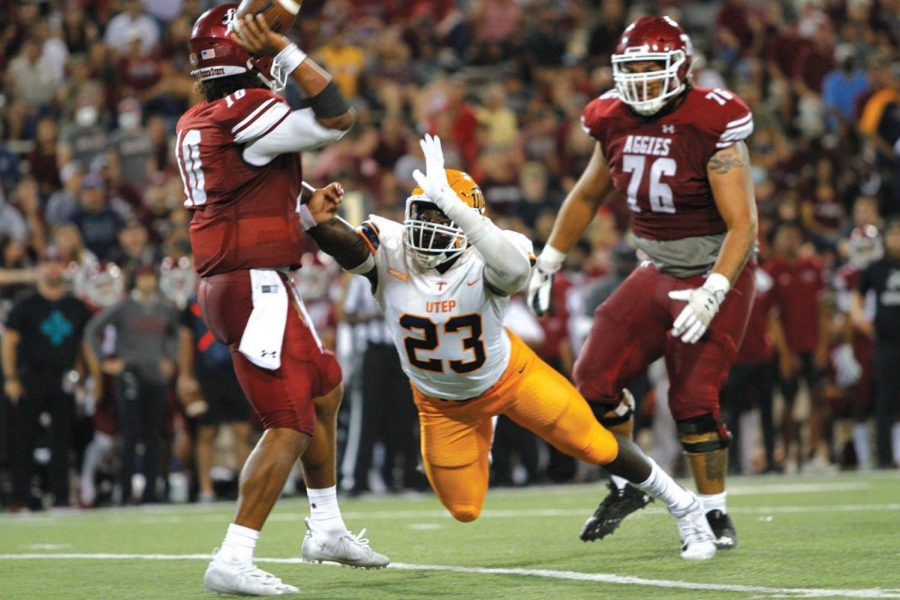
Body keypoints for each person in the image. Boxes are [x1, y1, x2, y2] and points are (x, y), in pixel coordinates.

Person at [304, 133, 717, 561]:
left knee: (595, 445)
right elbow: (347, 245)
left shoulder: (495, 250)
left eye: (440, 214)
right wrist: (312, 219)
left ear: (465, 219)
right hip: (440, 403)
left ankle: (685, 507)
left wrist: (457, 208)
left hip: (512, 378)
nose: (427, 225)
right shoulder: (391, 248)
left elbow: (514, 270)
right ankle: (487, 426)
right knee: (464, 509)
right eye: (423, 213)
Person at [174, 6, 387, 595]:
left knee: (324, 387)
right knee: (288, 422)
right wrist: (285, 48)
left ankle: (327, 526)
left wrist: (298, 214)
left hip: (247, 278)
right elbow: (338, 114)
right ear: (246, 53)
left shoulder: (202, 115)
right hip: (252, 283)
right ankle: (234, 554)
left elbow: (238, 198)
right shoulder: (242, 109)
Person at [527, 16, 757, 550]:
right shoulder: (611, 117)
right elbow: (588, 194)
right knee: (592, 382)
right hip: (655, 266)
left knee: (693, 397)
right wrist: (551, 258)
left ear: (681, 67)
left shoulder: (710, 119)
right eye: (633, 69)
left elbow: (744, 225)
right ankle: (628, 482)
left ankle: (715, 512)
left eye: (654, 66)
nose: (644, 79)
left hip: (717, 265)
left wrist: (716, 288)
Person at [2, 246, 92, 510]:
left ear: (65, 267)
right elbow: (9, 341)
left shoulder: (76, 306)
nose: (53, 267)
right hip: (30, 376)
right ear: (40, 267)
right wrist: (10, 377)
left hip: (63, 378)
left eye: (58, 262)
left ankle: (62, 497)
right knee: (23, 439)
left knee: (62, 440)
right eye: (47, 262)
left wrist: (83, 377)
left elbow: (82, 346)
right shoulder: (25, 304)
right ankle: (20, 497)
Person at [851, 218, 900, 469]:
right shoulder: (876, 267)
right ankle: (884, 458)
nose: (896, 240)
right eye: (893, 235)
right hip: (887, 343)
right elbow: (857, 299)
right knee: (885, 399)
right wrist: (863, 322)